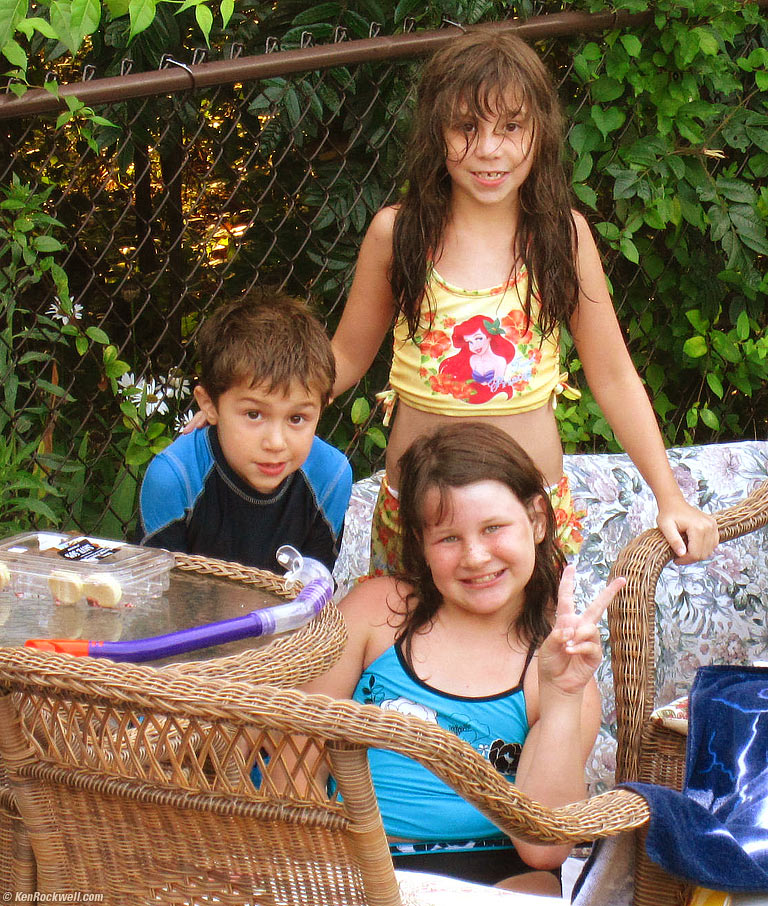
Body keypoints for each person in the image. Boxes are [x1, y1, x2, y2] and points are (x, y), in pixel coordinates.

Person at [329, 25, 719, 575]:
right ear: (435, 132)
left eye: (511, 126)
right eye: (467, 127)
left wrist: (670, 497)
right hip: (419, 519)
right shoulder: (398, 234)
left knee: (530, 661)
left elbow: (612, 376)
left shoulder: (564, 236)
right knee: (408, 659)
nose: (489, 149)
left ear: (542, 132)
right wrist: (254, 397)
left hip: (530, 520)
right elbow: (343, 358)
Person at [302, 422, 626, 895]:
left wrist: (561, 697)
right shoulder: (378, 612)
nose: (475, 556)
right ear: (420, 542)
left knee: (535, 887)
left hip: (491, 872)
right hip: (350, 859)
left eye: (494, 528)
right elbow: (297, 751)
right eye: (449, 538)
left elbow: (544, 849)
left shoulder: (555, 667)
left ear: (537, 519)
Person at [137, 288, 353, 573]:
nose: (276, 443)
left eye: (297, 418)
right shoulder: (175, 479)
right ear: (209, 405)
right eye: (254, 414)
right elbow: (155, 594)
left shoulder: (330, 476)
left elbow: (312, 590)